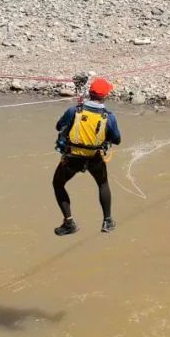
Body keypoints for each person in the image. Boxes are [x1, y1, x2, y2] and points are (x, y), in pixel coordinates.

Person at [52, 78, 122, 236]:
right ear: (106, 96)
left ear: (90, 93)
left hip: (72, 157)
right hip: (94, 157)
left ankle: (69, 222)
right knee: (102, 183)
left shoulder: (74, 111)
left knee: (58, 184)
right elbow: (117, 139)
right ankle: (107, 221)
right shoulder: (108, 117)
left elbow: (59, 126)